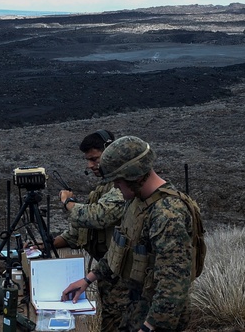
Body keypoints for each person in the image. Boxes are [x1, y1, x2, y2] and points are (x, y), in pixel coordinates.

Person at [61, 135, 201, 332]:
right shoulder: (137, 201)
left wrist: (149, 327)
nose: (116, 186)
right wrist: (88, 279)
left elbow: (173, 285)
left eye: (118, 181)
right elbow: (119, 250)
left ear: (134, 176)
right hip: (136, 306)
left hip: (156, 317)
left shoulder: (168, 214)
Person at [48, 129, 129, 332]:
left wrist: (68, 202)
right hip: (108, 273)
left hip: (124, 280)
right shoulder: (104, 188)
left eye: (95, 159)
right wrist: (49, 243)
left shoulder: (124, 187)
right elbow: (82, 231)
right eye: (88, 160)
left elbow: (98, 216)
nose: (90, 165)